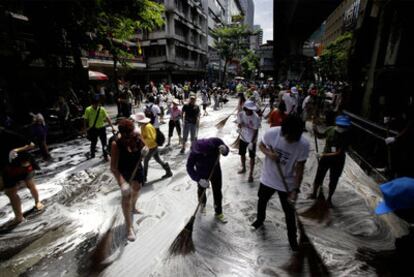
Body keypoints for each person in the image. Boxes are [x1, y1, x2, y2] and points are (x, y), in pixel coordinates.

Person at [251, 116, 310, 251]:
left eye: (296, 136)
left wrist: (295, 189)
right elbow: (261, 145)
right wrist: (269, 154)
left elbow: (300, 169)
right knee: (262, 200)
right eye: (290, 136)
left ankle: (292, 239)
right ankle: (260, 220)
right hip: (268, 178)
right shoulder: (273, 134)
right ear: (284, 132)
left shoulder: (303, 145)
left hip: (287, 183)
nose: (292, 140)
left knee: (289, 212)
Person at [110, 119, 146, 241]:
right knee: (127, 196)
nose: (128, 137)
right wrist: (122, 183)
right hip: (124, 170)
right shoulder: (116, 144)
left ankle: (134, 207)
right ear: (121, 134)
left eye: (130, 134)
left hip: (136, 166)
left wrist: (145, 150)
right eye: (126, 135)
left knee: (137, 188)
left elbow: (144, 145)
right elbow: (113, 168)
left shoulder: (136, 136)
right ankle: (129, 226)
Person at [1, 127, 44, 225]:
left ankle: (37, 202)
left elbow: (31, 145)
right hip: (6, 167)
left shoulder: (8, 133)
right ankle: (19, 217)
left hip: (22, 163)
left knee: (29, 184)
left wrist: (16, 150)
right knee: (10, 192)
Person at [310, 115, 351, 206]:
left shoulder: (347, 136)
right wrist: (316, 131)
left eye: (344, 127)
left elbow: (338, 152)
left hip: (338, 160)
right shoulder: (330, 130)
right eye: (340, 126)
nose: (341, 128)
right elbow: (321, 136)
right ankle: (314, 193)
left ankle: (329, 198)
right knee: (319, 175)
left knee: (334, 179)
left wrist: (322, 154)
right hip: (326, 158)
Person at [186, 138, 229, 223]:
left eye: (207, 153)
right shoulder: (194, 152)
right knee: (201, 190)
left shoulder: (216, 142)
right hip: (201, 173)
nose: (205, 154)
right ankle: (202, 204)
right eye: (203, 154)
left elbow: (226, 151)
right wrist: (198, 179)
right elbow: (189, 167)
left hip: (215, 170)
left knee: (217, 191)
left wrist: (225, 150)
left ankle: (218, 212)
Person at [132, 112, 172, 183]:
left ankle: (144, 178)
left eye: (137, 121)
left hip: (152, 147)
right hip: (152, 146)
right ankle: (168, 171)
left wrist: (142, 138)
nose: (136, 122)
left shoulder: (147, 127)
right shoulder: (143, 126)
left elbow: (151, 138)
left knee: (146, 161)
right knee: (158, 159)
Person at [83, 95, 115, 161]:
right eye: (95, 104)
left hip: (102, 128)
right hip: (93, 129)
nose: (96, 105)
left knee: (104, 143)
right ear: (92, 103)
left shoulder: (102, 109)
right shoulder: (88, 110)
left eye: (97, 103)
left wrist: (112, 127)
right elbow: (85, 120)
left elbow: (107, 118)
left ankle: (105, 156)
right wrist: (85, 130)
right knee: (93, 142)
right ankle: (92, 155)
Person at [237, 100, 261, 183]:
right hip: (243, 138)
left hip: (252, 139)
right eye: (249, 109)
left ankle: (251, 174)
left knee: (252, 157)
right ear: (245, 108)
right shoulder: (241, 114)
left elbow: (256, 130)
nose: (251, 111)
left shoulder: (256, 117)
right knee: (242, 154)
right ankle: (243, 168)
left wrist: (252, 142)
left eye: (252, 109)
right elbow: (239, 124)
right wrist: (239, 127)